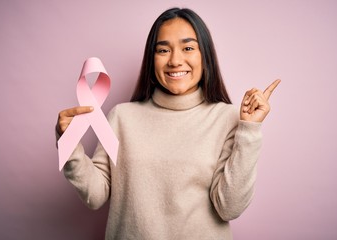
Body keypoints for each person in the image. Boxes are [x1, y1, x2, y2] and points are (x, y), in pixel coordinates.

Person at [56, 7, 280, 240]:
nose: (175, 60)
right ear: (151, 59)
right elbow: (95, 196)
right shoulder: (122, 117)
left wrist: (249, 131)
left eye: (188, 48)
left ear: (205, 57)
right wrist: (70, 144)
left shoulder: (228, 119)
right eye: (163, 50)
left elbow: (230, 207)